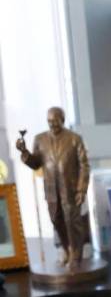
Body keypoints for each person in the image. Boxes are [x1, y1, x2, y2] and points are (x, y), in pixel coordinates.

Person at [16, 107, 91, 269]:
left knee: (73, 222)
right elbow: (35, 163)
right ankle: (67, 249)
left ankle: (76, 257)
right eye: (50, 121)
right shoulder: (40, 139)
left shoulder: (74, 139)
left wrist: (81, 189)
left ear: (62, 120)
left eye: (56, 121)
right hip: (51, 191)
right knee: (57, 221)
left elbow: (84, 165)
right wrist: (25, 152)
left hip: (70, 190)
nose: (52, 124)